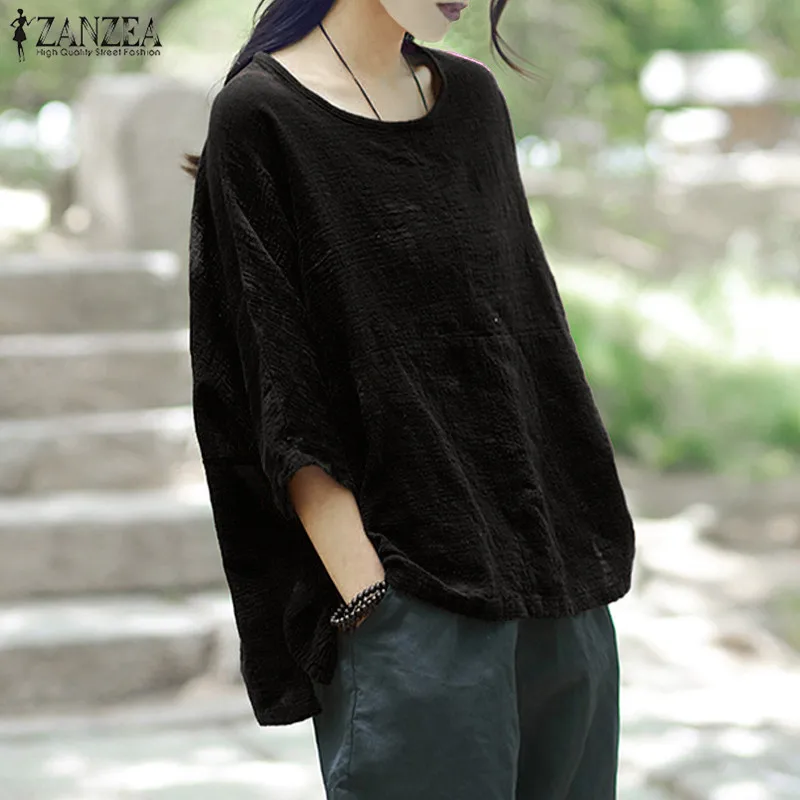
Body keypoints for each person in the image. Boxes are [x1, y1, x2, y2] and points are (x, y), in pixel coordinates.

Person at [184, 0, 636, 797]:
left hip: (561, 601)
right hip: (414, 615)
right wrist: (371, 599)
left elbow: (531, 344)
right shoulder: (259, 117)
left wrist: (578, 572)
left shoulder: (475, 102)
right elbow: (278, 395)